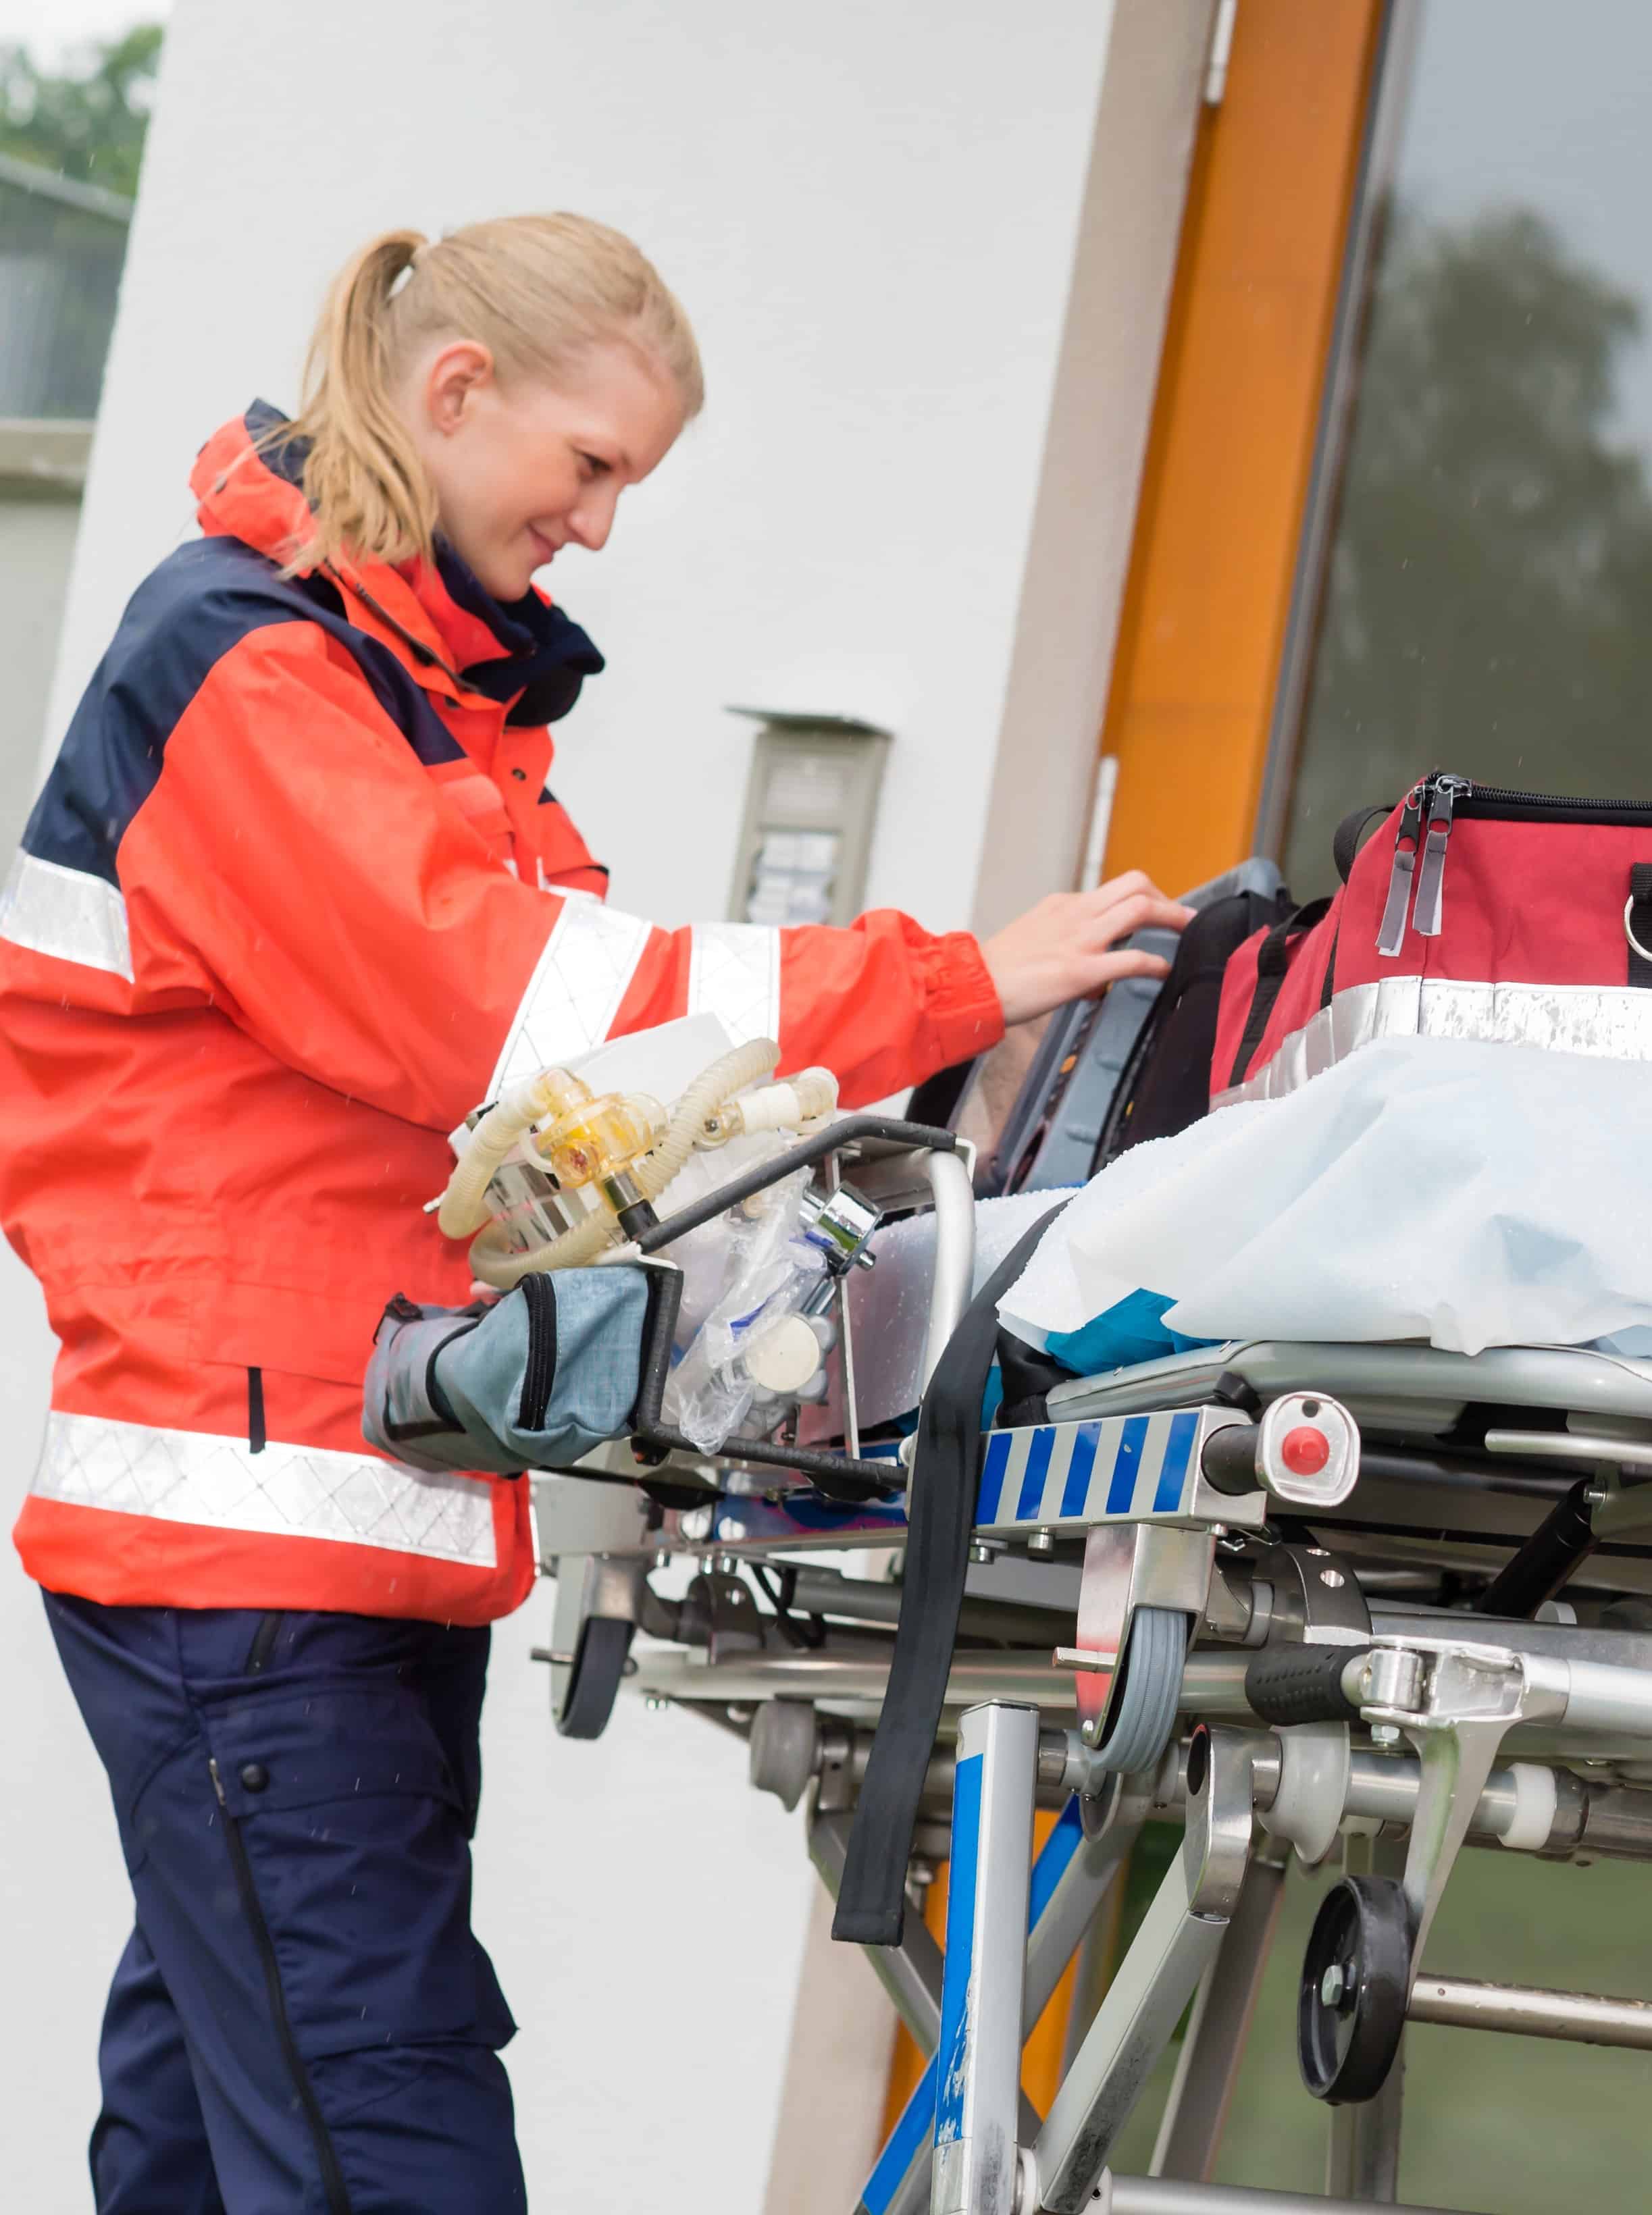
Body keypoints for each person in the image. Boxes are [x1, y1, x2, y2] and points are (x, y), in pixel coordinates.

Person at [0, 215, 1187, 2212]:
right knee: (392, 2149)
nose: (606, 529)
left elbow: (572, 1111)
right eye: (595, 467)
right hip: (251, 1545)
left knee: (211, 2141)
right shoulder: (250, 677)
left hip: (335, 1525)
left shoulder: (408, 706)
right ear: (456, 394)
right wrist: (961, 980)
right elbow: (540, 1030)